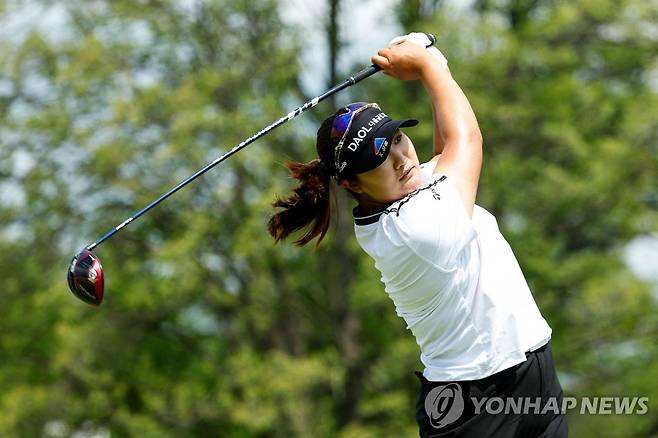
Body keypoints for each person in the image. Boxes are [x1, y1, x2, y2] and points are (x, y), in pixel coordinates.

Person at [267, 33, 567, 438]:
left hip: (533, 375)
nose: (401, 159)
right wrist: (427, 66)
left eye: (397, 139)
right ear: (353, 184)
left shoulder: (408, 190)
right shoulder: (413, 229)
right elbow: (467, 140)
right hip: (472, 402)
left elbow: (445, 146)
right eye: (379, 158)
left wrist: (431, 63)